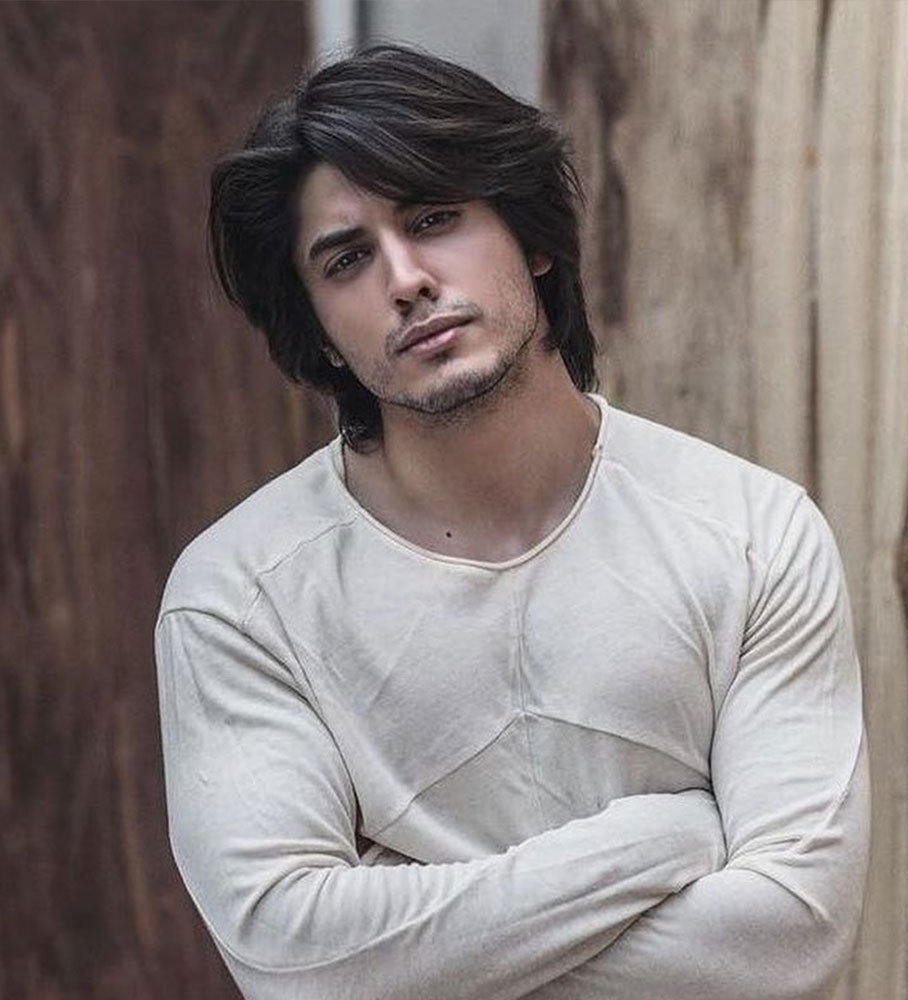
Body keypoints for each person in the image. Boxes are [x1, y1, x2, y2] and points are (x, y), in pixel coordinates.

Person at [155, 44, 869, 1000]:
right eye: (348, 259)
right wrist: (663, 838)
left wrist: (408, 940)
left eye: (434, 218)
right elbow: (301, 965)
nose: (406, 278)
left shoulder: (751, 534)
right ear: (315, 327)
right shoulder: (240, 598)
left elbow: (789, 938)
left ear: (532, 235)